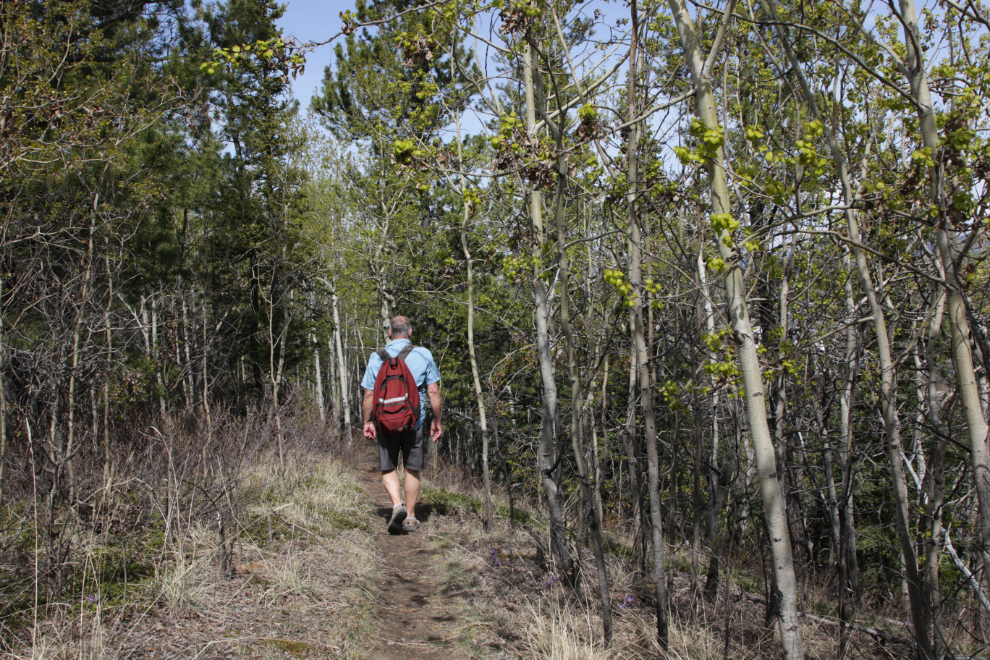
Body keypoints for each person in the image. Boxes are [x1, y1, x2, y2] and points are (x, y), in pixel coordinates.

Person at [362, 315, 442, 534]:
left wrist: (367, 421)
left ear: (390, 332)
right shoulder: (423, 354)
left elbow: (369, 393)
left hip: (385, 422)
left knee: (388, 467)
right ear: (410, 332)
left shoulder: (376, 357)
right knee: (412, 468)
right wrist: (437, 420)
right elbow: (433, 390)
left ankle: (397, 505)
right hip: (414, 422)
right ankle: (410, 516)